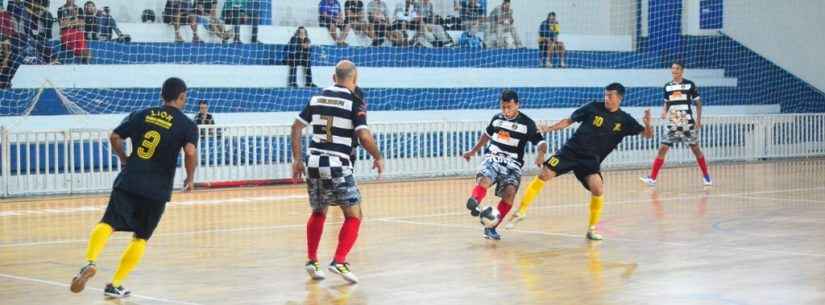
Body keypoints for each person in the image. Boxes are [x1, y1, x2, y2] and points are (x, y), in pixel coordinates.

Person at [69, 77, 199, 298]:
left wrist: (123, 157)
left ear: (162, 95)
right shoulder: (188, 125)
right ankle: (115, 284)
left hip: (130, 180)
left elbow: (114, 136)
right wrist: (190, 177)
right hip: (157, 190)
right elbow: (189, 152)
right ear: (182, 97)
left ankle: (89, 262)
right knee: (141, 237)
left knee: (108, 223)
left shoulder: (143, 114)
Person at [504, 83, 654, 240]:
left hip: (590, 161)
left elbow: (647, 135)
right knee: (545, 173)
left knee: (598, 188)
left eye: (610, 96)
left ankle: (592, 229)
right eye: (605, 95)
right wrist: (549, 128)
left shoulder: (625, 120)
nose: (606, 98)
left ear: (620, 98)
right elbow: (568, 121)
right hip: (571, 151)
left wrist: (648, 124)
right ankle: (520, 212)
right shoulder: (592, 107)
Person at [291, 60, 384, 284]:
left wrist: (296, 160)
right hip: (337, 164)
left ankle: (312, 261)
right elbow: (363, 137)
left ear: (334, 78)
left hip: (313, 162)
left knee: (318, 211)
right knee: (354, 214)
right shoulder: (355, 102)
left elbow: (296, 126)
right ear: (355, 79)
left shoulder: (316, 98)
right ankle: (339, 261)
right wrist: (378, 156)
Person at [462, 89, 547, 240]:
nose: (506, 111)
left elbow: (541, 143)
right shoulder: (497, 119)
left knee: (510, 195)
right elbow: (486, 136)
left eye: (509, 107)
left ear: (517, 105)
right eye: (503, 107)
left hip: (513, 164)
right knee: (485, 179)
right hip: (493, 157)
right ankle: (474, 200)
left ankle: (491, 228)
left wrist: (541, 155)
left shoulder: (527, 124)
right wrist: (473, 151)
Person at [640, 61, 712, 187]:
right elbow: (667, 102)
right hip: (673, 122)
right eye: (673, 69)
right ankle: (652, 178)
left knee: (696, 149)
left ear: (682, 70)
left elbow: (698, 103)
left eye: (677, 69)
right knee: (663, 148)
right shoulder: (667, 86)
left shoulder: (690, 85)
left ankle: (706, 177)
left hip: (687, 122)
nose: (674, 71)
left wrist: (698, 121)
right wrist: (664, 111)